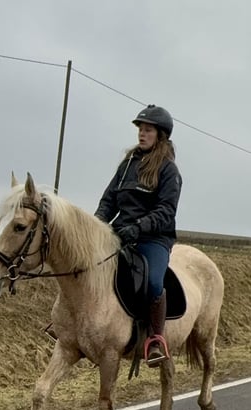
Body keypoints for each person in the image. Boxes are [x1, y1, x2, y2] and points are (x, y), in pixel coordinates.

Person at [94, 104, 182, 367]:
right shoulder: (127, 165)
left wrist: (140, 226)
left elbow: (166, 211)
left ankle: (156, 339)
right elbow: (109, 199)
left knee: (154, 282)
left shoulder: (168, 171)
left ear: (160, 135)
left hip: (154, 238)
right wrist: (97, 225)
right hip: (122, 232)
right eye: (140, 130)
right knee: (91, 266)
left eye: (148, 130)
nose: (142, 134)